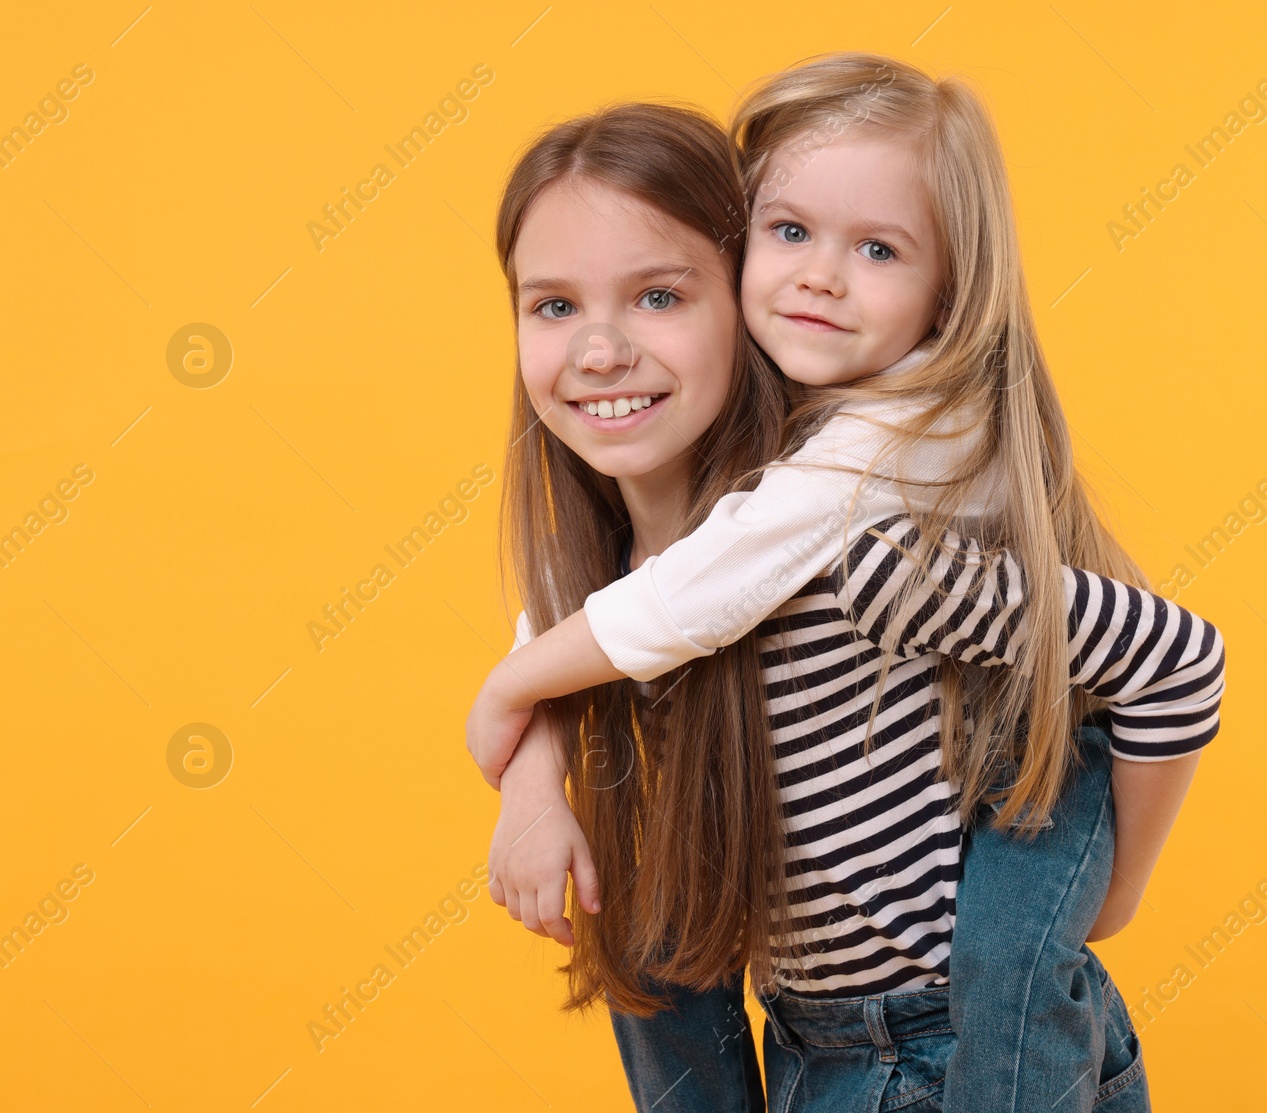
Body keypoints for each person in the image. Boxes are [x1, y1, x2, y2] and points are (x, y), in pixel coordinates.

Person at [475, 53, 1225, 1112]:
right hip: (817, 1053)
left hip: (935, 1057)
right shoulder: (648, 573)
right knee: (641, 890)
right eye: (552, 305)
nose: (601, 348)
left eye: (658, 295)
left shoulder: (867, 543)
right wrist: (530, 787)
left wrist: (1114, 890)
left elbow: (1175, 655)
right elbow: (575, 631)